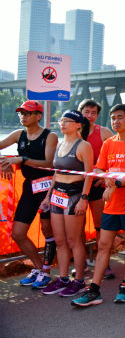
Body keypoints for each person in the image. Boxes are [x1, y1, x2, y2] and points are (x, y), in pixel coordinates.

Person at [71, 104, 125, 307]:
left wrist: (117, 183)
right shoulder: (108, 143)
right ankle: (94, 289)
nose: (115, 121)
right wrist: (106, 178)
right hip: (110, 204)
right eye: (113, 118)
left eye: (120, 117)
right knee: (103, 245)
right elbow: (99, 168)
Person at [0, 101, 58, 288]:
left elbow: (48, 162)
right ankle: (39, 268)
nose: (23, 116)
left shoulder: (50, 136)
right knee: (18, 233)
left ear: (38, 116)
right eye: (21, 113)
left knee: (47, 231)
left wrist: (21, 159)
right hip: (29, 187)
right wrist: (5, 161)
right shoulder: (19, 134)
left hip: (47, 188)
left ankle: (47, 272)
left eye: (28, 113)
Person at [39, 110, 94, 297]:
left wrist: (84, 198)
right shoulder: (60, 144)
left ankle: (79, 280)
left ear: (78, 125)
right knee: (60, 241)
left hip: (74, 195)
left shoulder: (83, 146)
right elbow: (56, 173)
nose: (62, 124)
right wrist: (48, 196)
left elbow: (89, 174)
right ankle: (63, 278)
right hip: (57, 195)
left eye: (68, 121)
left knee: (74, 240)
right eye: (61, 120)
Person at [79, 99, 114, 278]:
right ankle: (81, 262)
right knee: (78, 227)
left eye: (93, 113)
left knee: (100, 226)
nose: (89, 116)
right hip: (77, 184)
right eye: (86, 112)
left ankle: (104, 263)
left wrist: (105, 175)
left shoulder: (104, 132)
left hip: (97, 185)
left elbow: (117, 154)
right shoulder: (74, 132)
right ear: (80, 113)